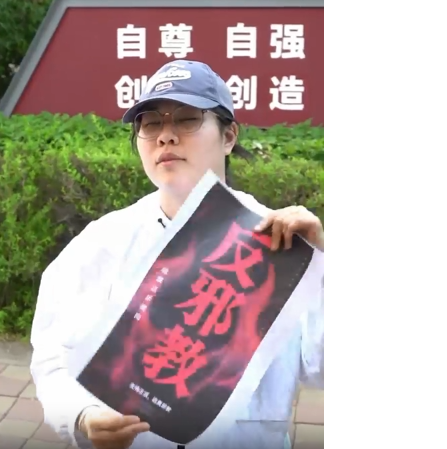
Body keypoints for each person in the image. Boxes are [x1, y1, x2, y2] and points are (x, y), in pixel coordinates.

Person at [29, 60, 324, 449]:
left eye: (187, 119)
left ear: (229, 136)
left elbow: (323, 368)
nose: (166, 136)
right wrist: (82, 415)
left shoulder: (280, 245)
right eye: (151, 124)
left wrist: (321, 267)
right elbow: (53, 358)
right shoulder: (102, 243)